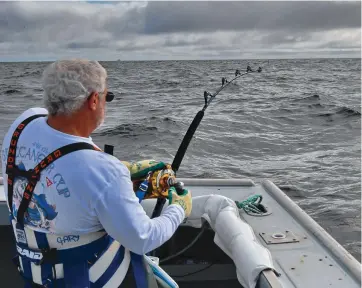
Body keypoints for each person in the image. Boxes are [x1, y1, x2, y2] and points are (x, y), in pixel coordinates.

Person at [0, 59, 192, 287]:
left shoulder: (23, 122)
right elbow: (144, 239)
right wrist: (178, 208)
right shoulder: (104, 172)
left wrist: (122, 171)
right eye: (106, 97)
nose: (106, 103)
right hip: (86, 280)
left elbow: (60, 153)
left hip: (32, 275)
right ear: (93, 100)